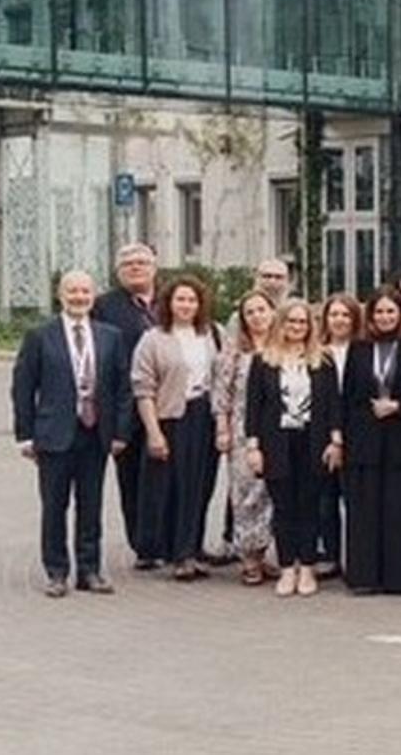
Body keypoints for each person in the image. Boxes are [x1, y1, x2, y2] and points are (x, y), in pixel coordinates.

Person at [14, 270, 132, 597]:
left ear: (93, 296)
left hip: (96, 434)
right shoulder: (40, 335)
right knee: (55, 506)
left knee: (91, 506)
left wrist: (120, 432)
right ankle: (56, 572)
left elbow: (122, 388)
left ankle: (89, 571)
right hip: (54, 434)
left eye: (85, 291)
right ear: (60, 295)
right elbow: (23, 387)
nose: (79, 297)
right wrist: (25, 435)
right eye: (72, 291)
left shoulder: (110, 336)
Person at [341, 289, 401, 595]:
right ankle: (366, 577)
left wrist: (399, 406)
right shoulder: (359, 349)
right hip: (366, 439)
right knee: (366, 510)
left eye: (390, 312)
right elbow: (350, 395)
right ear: (371, 316)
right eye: (379, 312)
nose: (385, 318)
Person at [244, 299, 343, 597]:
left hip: (313, 441)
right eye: (291, 321)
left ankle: (308, 568)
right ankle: (288, 567)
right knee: (284, 506)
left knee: (310, 507)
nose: (297, 327)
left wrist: (336, 441)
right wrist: (253, 447)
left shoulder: (323, 360)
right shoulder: (263, 361)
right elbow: (254, 407)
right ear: (281, 323)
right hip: (276, 442)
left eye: (302, 322)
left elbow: (333, 404)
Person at [131, 276, 222, 581]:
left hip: (204, 416)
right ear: (168, 303)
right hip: (171, 417)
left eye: (192, 300)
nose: (186, 305)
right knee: (173, 487)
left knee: (200, 485)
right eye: (180, 299)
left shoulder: (212, 334)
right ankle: (177, 553)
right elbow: (143, 389)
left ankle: (193, 547)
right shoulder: (153, 339)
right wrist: (153, 432)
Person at [93, 244, 159, 564]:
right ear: (118, 272)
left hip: (169, 404)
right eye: (128, 264)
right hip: (126, 407)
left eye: (142, 262)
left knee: (167, 476)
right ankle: (143, 547)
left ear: (154, 267)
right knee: (132, 478)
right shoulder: (103, 307)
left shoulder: (172, 299)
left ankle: (175, 541)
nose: (135, 268)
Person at [211, 290, 277, 586]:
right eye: (250, 312)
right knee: (247, 494)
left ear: (272, 312)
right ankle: (249, 557)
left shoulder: (282, 347)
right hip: (241, 431)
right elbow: (221, 396)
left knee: (272, 495)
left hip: (278, 430)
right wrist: (222, 429)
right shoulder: (233, 354)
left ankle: (263, 553)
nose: (257, 316)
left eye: (262, 309)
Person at [316, 293, 362, 578]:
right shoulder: (317, 352)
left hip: (357, 432)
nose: (340, 320)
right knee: (325, 497)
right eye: (334, 314)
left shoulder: (363, 350)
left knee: (355, 497)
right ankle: (330, 554)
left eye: (346, 315)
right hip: (322, 432)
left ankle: (355, 557)